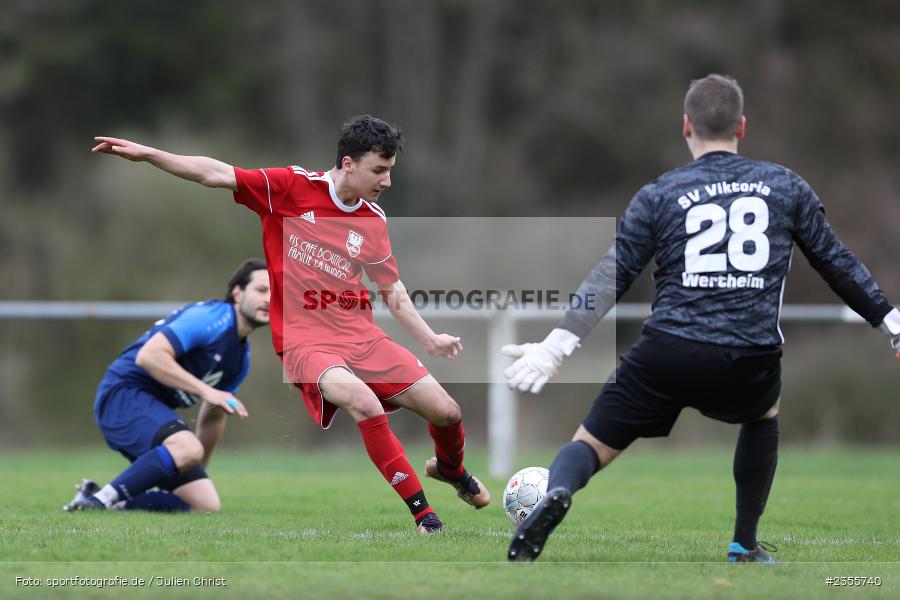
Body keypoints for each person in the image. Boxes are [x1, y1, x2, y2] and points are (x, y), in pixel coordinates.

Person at [502, 74, 900, 562]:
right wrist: (889, 320)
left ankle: (558, 491)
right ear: (742, 126)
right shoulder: (785, 186)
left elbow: (614, 272)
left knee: (590, 443)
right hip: (750, 355)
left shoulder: (660, 193)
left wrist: (557, 344)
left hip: (669, 350)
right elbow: (836, 262)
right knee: (761, 417)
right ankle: (744, 543)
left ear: (686, 125)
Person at [90, 116, 490, 533]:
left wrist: (430, 339)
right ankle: (424, 515)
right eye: (379, 170)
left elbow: (392, 288)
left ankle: (451, 470)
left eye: (389, 170)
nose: (386, 181)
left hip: (362, 337)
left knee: (446, 411)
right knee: (364, 403)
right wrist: (151, 154)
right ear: (348, 163)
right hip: (304, 343)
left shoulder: (372, 220)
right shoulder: (290, 187)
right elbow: (216, 172)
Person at [64, 259, 270, 513]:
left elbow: (214, 415)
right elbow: (148, 356)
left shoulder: (241, 358)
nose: (270, 299)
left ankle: (106, 500)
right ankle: (95, 503)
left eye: (276, 294)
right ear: (238, 293)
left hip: (152, 408)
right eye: (262, 290)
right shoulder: (210, 318)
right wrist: (206, 392)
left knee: (204, 504)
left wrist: (195, 464)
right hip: (124, 394)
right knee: (186, 446)